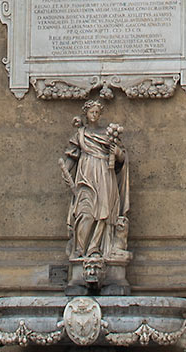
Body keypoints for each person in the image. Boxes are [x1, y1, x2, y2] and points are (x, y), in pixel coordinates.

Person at [59, 99, 131, 261]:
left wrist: (118, 152)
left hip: (105, 174)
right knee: (85, 211)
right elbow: (72, 156)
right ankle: (80, 248)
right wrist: (66, 169)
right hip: (86, 174)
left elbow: (122, 158)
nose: (94, 114)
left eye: (97, 112)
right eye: (92, 112)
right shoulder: (80, 134)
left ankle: (95, 248)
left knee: (104, 212)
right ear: (86, 113)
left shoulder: (106, 134)